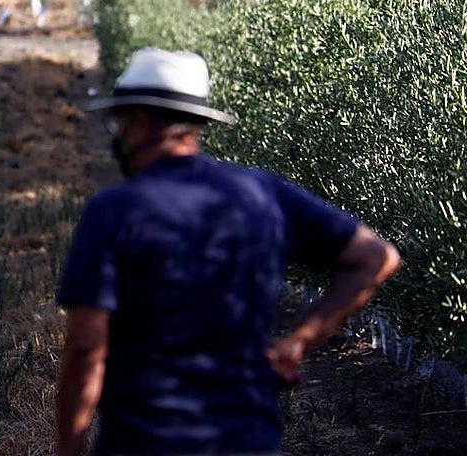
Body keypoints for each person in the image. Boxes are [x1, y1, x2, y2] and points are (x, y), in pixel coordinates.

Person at [56, 48, 401, 456]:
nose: (117, 136)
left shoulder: (113, 211)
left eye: (120, 122)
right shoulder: (261, 193)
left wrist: (70, 446)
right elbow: (377, 257)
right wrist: (298, 342)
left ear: (141, 122)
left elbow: (86, 346)